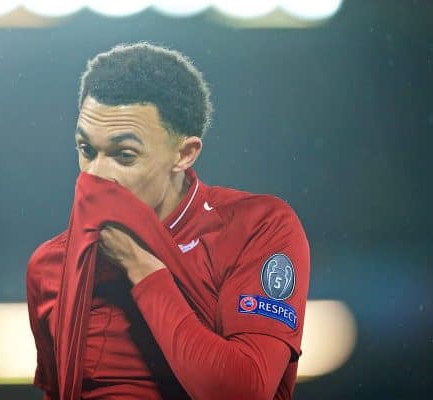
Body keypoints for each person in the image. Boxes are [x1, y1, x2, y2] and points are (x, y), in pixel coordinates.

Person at [27, 42, 310, 400]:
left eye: (124, 155)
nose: (96, 175)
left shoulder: (257, 227)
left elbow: (243, 391)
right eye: (87, 150)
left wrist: (140, 266)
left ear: (184, 154)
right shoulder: (51, 266)